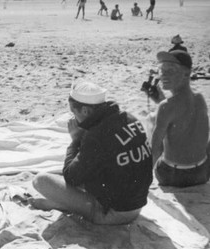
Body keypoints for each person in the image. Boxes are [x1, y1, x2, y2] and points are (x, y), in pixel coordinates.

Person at [29, 79, 153, 225]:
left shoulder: (97, 135)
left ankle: (68, 206)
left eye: (74, 112)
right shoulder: (129, 118)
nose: (74, 118)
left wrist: (75, 140)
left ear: (85, 110)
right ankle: (69, 204)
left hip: (111, 214)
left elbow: (71, 177)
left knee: (41, 180)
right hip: (136, 206)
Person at [150, 50, 210, 187]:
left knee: (151, 119)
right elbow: (182, 114)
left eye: (170, 70)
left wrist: (144, 179)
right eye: (161, 69)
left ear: (187, 74)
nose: (163, 74)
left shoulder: (166, 107)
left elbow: (156, 149)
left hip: (172, 176)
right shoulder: (200, 99)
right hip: (202, 174)